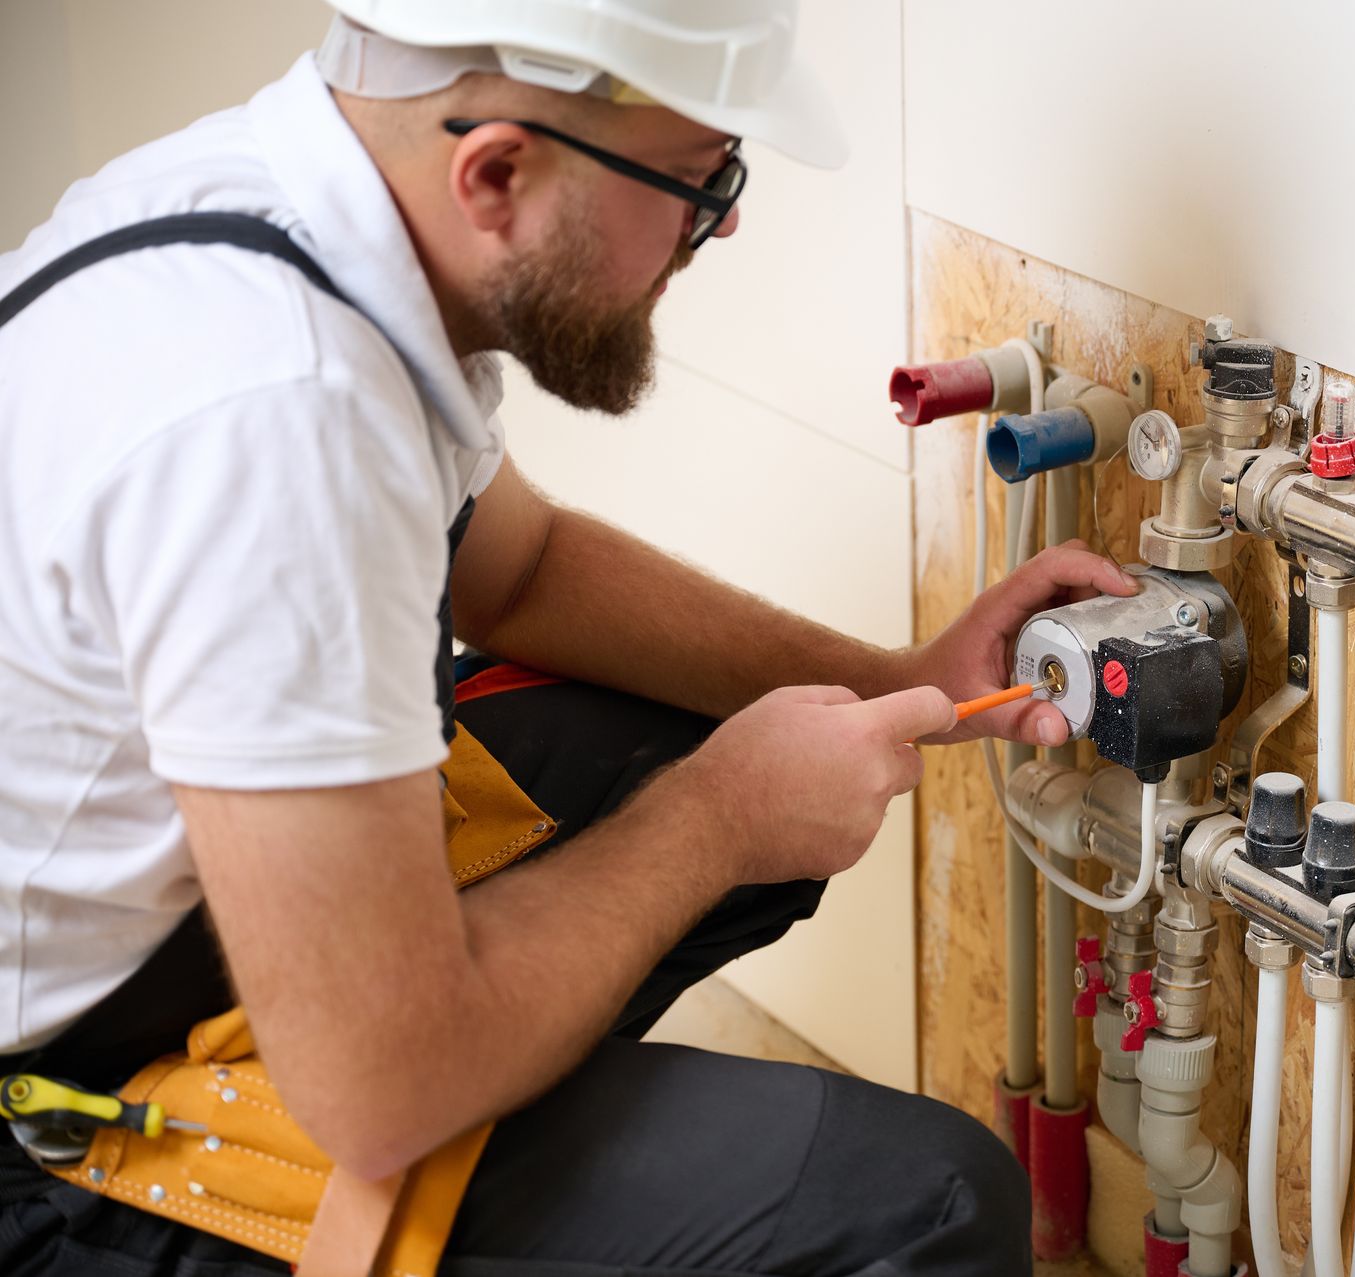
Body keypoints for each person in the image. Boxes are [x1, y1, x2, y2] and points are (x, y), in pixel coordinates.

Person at [0, 2, 1138, 1272]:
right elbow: (379, 1090)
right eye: (704, 180)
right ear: (496, 173)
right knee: (931, 1201)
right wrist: (715, 818)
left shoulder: (303, 219)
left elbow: (525, 567)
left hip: (165, 928)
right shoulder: (275, 422)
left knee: (715, 727)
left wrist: (893, 674)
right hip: (55, 1131)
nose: (727, 223)